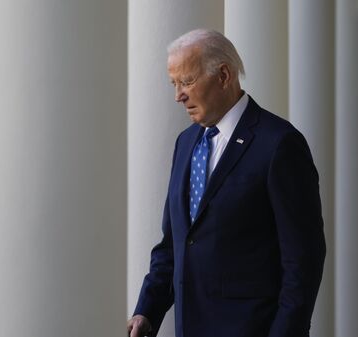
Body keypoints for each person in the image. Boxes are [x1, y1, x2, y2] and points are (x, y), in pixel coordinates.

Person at [127, 29, 326, 337]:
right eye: (174, 83)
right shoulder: (186, 143)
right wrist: (147, 310)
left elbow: (303, 260)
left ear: (223, 75)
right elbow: (175, 244)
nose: (178, 95)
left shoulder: (279, 144)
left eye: (188, 81)